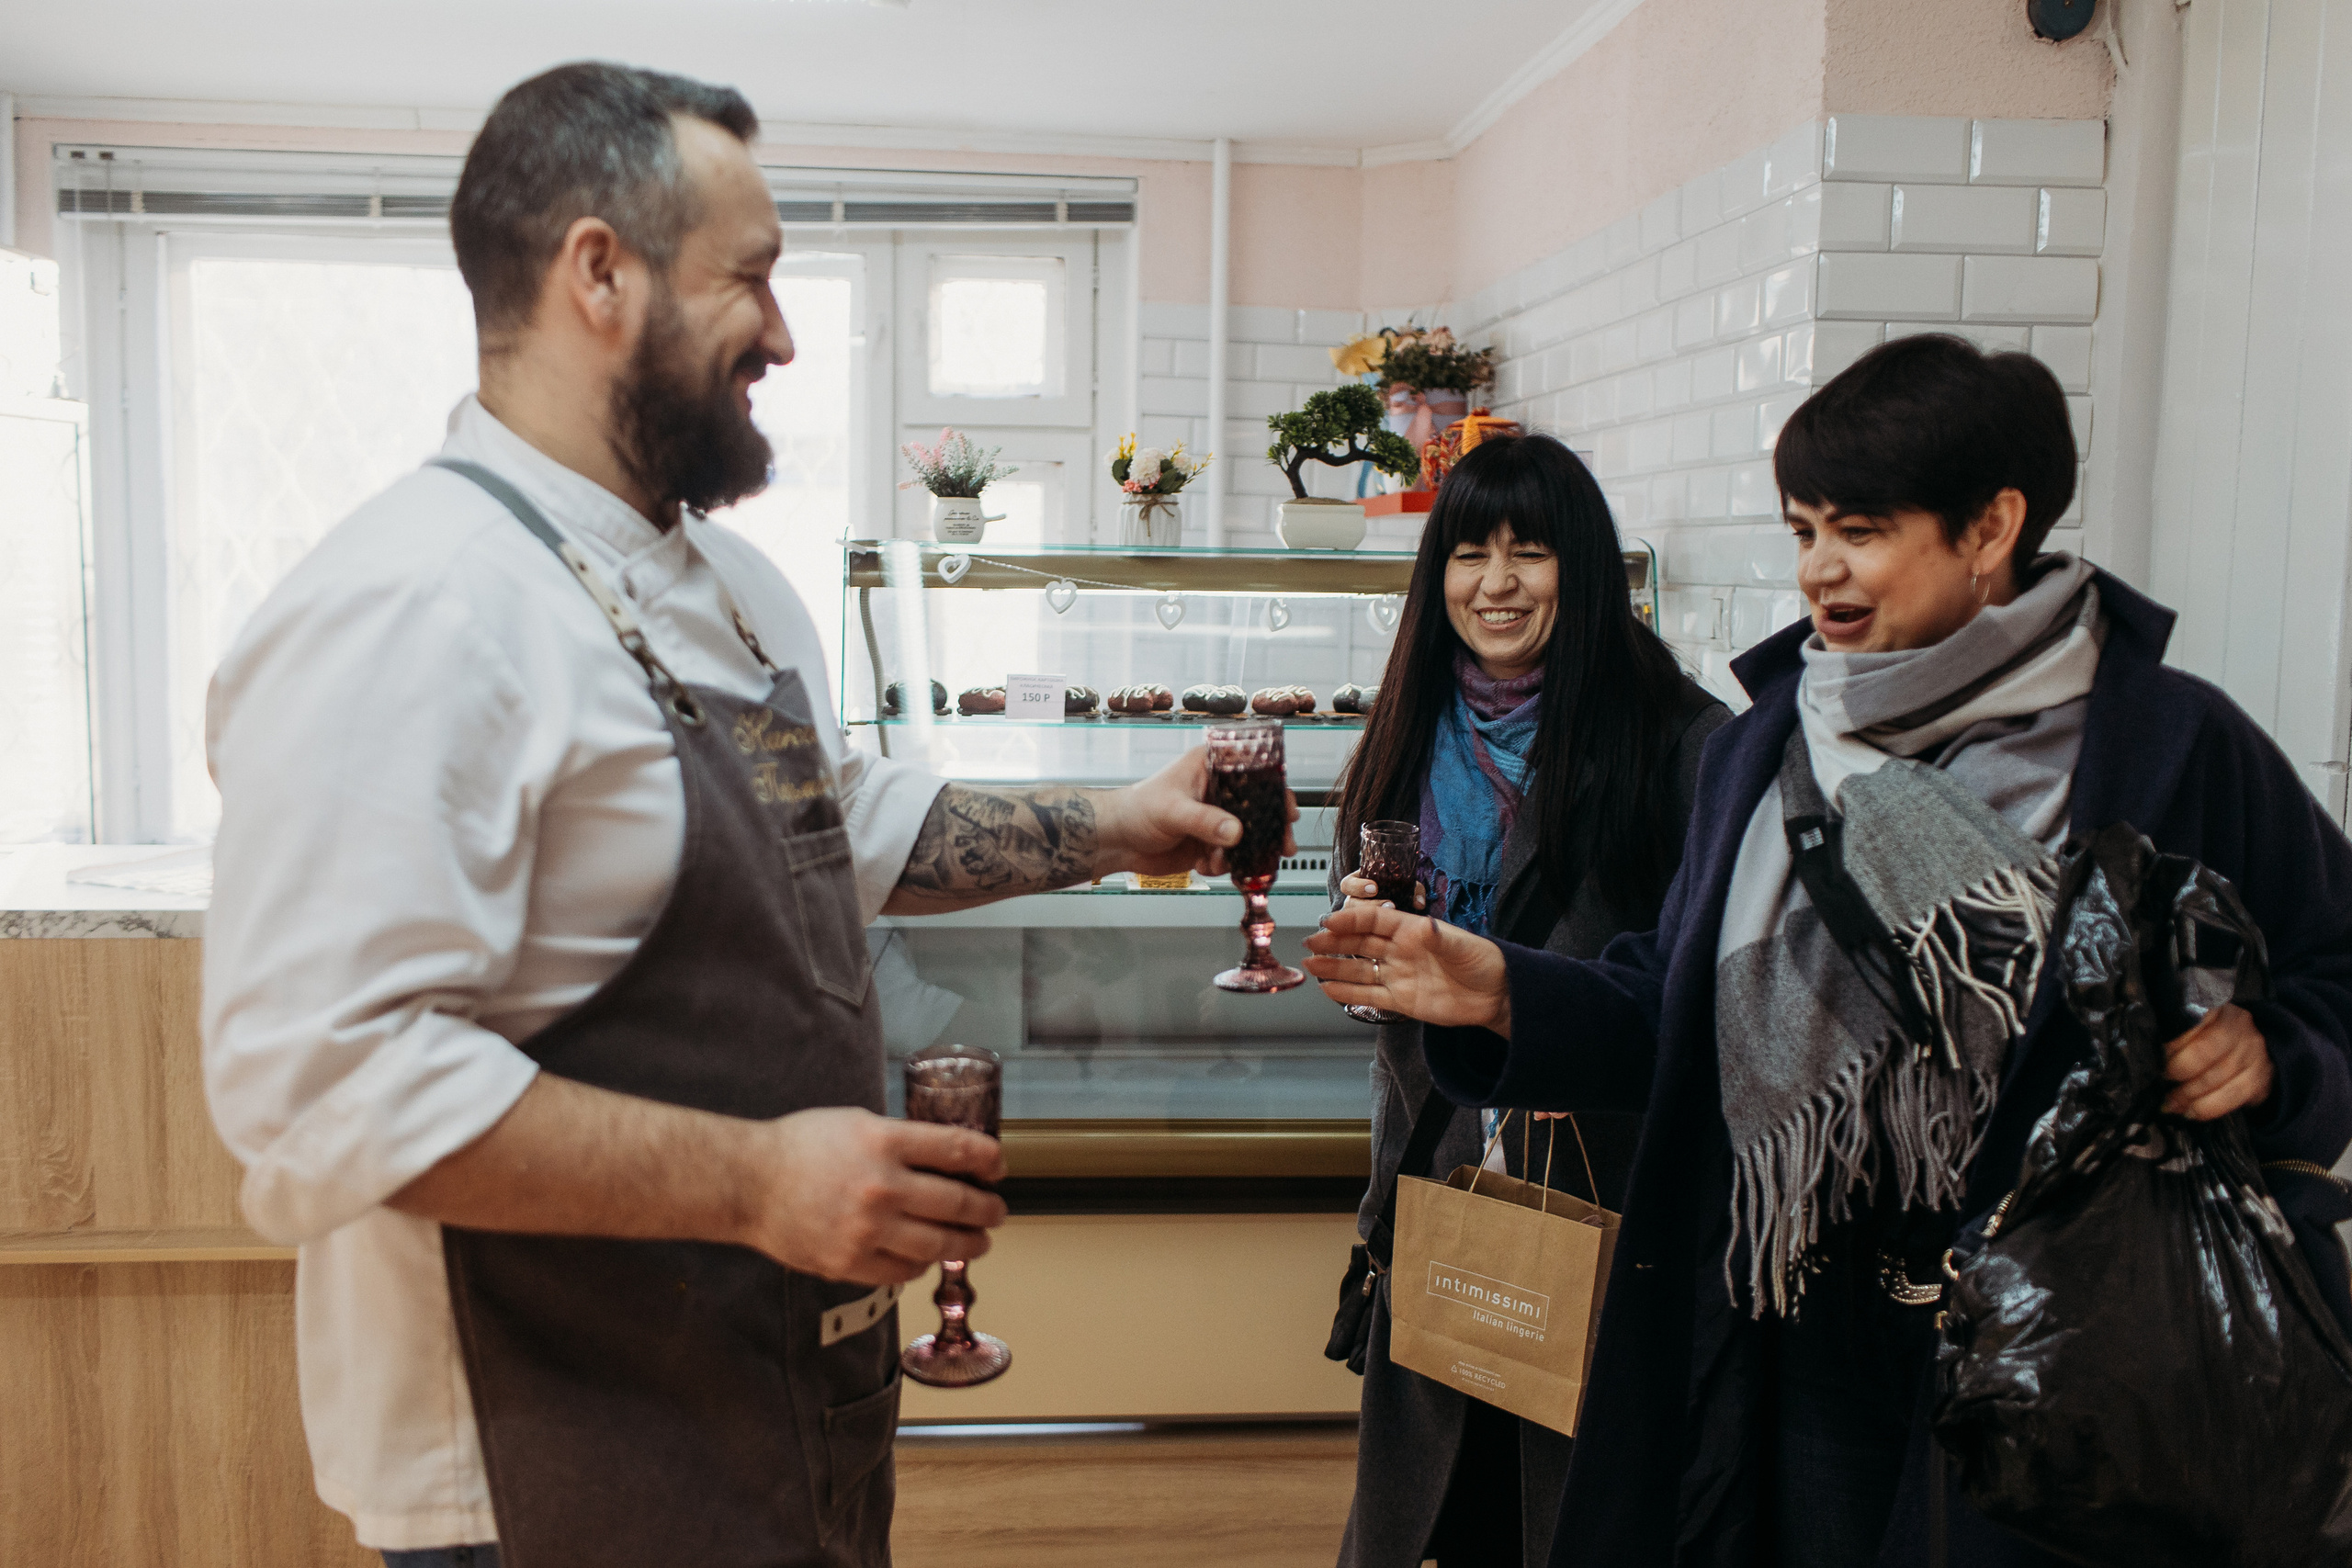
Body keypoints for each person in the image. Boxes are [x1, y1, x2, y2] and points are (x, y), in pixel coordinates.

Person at [200, 63, 1277, 1568]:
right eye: (753, 280)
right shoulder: (413, 605)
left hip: (780, 1406)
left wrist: (1113, 818)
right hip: (538, 1464)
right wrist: (759, 1181)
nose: (780, 334)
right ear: (598, 272)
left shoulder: (732, 585)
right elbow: (321, 1087)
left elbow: (841, 822)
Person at [1305, 334, 2352, 1567]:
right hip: (1783, 1324)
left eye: (1859, 528)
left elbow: (2332, 963)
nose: (1820, 570)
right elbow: (1671, 1006)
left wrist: (2275, 1051)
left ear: (1990, 526)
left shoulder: (2170, 744)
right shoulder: (1765, 750)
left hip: (2069, 1348)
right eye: (1803, 530)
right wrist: (1503, 993)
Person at [1325, 434, 1727, 1568]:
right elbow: (1380, 997)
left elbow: (1695, 1000)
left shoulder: (1682, 742)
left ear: (1585, 569)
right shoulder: (1408, 727)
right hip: (1439, 1178)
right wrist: (1368, 973)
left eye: (1530, 553)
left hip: (1603, 1209)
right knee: (1441, 1518)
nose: (1493, 584)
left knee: (1574, 1514)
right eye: (1466, 553)